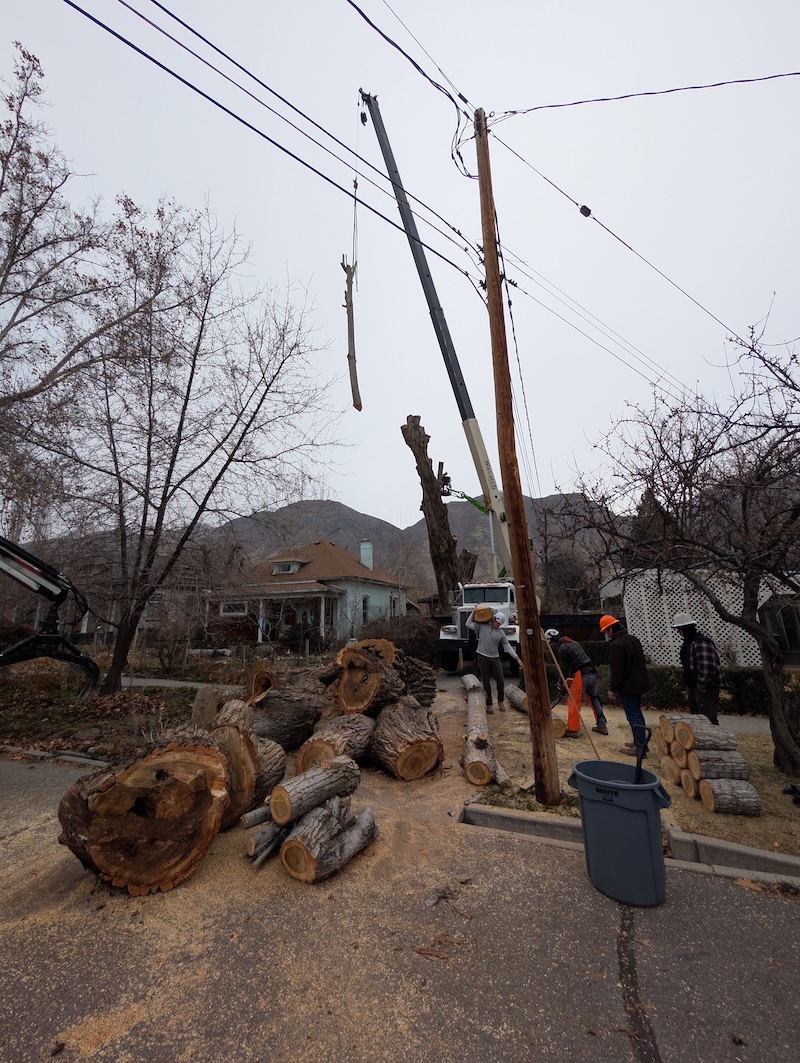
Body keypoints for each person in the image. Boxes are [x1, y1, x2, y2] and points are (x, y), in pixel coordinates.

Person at [600, 614, 651, 756]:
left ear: (610, 629)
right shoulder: (633, 639)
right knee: (637, 713)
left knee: (633, 716)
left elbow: (617, 670)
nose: (606, 634)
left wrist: (612, 688)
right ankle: (640, 742)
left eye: (606, 631)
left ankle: (640, 749)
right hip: (639, 683)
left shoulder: (617, 645)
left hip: (628, 686)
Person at [545, 629, 609, 735]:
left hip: (582, 674)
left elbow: (564, 669)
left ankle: (573, 729)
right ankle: (602, 725)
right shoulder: (572, 642)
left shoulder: (562, 649)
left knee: (573, 700)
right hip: (592, 673)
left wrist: (561, 682)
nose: (551, 646)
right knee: (594, 698)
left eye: (550, 644)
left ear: (552, 641)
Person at [671, 612, 726, 725]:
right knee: (697, 719)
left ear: (685, 629)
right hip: (694, 685)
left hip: (706, 687)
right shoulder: (688, 643)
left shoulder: (700, 642)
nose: (678, 632)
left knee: (707, 719)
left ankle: (713, 735)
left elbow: (708, 668)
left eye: (679, 629)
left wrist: (701, 684)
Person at [465, 608, 523, 713]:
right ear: (494, 619)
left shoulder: (501, 633)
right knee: (486, 681)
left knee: (500, 680)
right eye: (497, 623)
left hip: (495, 658)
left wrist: (517, 659)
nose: (498, 625)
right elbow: (468, 624)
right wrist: (473, 612)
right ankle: (489, 704)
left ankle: (500, 701)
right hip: (482, 657)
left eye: (500, 624)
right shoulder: (482, 626)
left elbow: (508, 647)